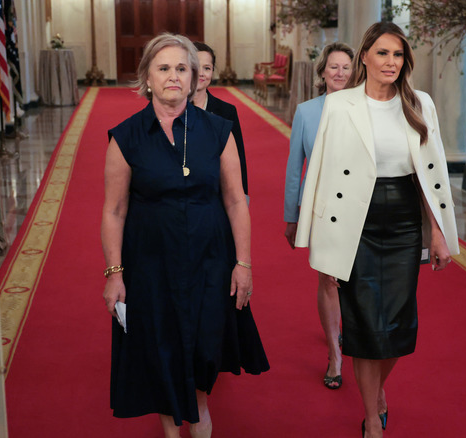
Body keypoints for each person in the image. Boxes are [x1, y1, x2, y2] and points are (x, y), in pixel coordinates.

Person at [295, 22, 459, 438]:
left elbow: (431, 174)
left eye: (398, 55)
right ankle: (372, 417)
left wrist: (437, 232)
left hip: (403, 219)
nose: (390, 62)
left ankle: (377, 390)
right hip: (354, 221)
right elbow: (322, 173)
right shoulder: (340, 104)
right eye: (382, 53)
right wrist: (318, 242)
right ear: (364, 56)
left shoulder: (420, 103)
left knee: (399, 325)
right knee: (365, 324)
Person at [101, 33, 269, 438]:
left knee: (203, 350)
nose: (173, 76)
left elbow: (235, 201)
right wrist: (114, 272)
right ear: (147, 78)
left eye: (181, 68)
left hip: (210, 262)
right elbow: (114, 210)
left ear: (194, 77)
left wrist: (243, 263)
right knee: (162, 351)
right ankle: (175, 430)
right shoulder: (125, 137)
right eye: (163, 68)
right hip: (150, 265)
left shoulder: (218, 129)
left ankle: (200, 417)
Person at [283, 42, 354, 390]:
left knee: (355, 281)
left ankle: (354, 336)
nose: (340, 73)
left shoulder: (368, 109)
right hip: (322, 209)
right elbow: (296, 167)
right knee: (328, 280)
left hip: (361, 210)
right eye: (334, 67)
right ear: (322, 72)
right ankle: (334, 355)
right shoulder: (306, 112)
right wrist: (291, 215)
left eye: (346, 67)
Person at [192, 42, 249, 197]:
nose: (202, 73)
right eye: (196, 67)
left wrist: (242, 196)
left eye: (207, 68)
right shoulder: (172, 110)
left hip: (217, 195)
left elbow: (239, 161)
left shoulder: (227, 111)